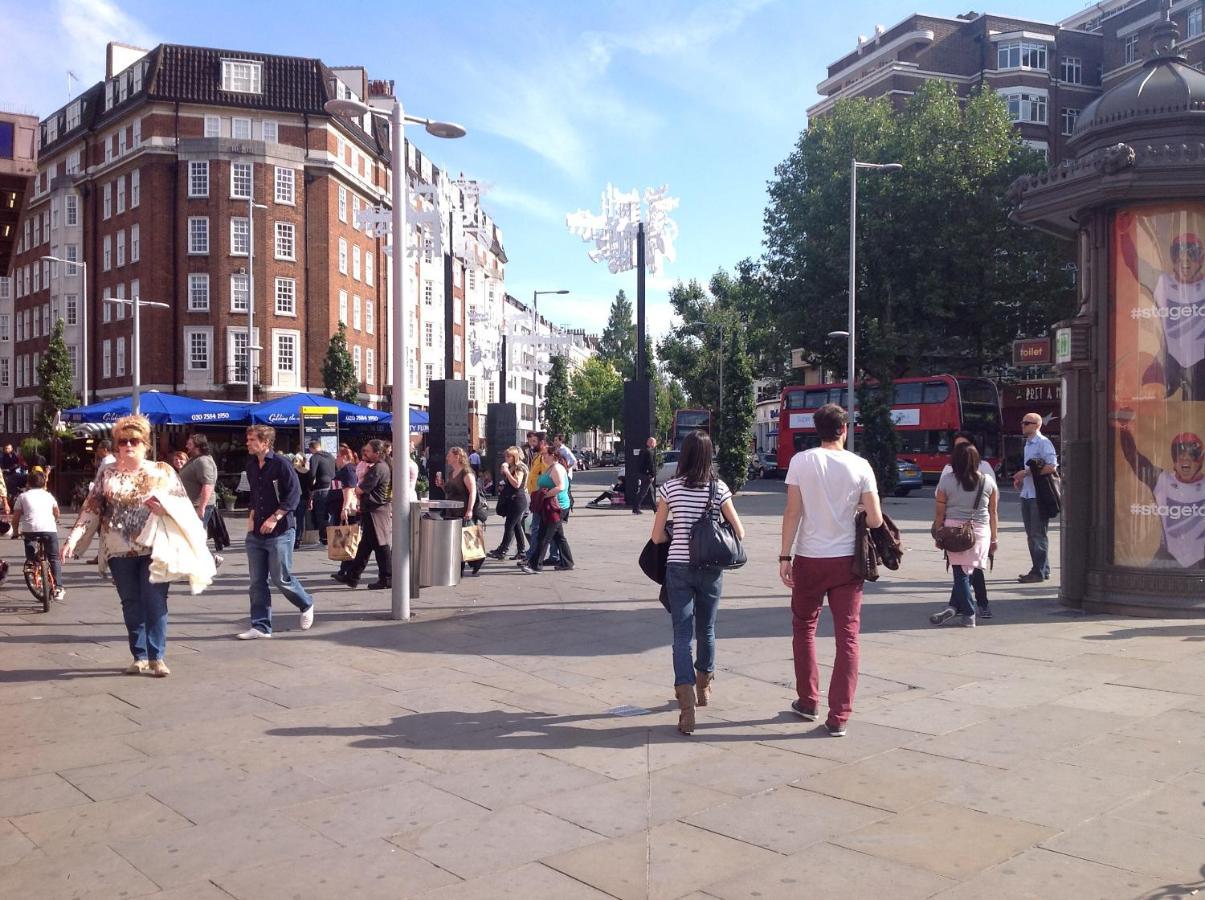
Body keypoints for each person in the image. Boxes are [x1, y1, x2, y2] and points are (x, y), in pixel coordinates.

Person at [779, 403, 883, 738]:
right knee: (847, 637)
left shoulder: (801, 461)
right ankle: (839, 716)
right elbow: (876, 519)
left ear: (817, 429)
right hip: (846, 561)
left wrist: (785, 556)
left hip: (809, 557)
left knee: (804, 628)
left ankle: (808, 700)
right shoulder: (860, 465)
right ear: (844, 429)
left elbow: (792, 512)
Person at [62, 414, 188, 676]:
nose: (128, 446)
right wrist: (72, 540)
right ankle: (139, 656)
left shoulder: (162, 471)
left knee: (154, 601)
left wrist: (165, 508)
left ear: (145, 444)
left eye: (134, 441)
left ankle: (157, 657)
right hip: (118, 549)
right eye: (122, 442)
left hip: (155, 547)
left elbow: (183, 506)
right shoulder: (107, 474)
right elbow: (91, 507)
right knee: (131, 603)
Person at [650, 431, 744, 735]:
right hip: (711, 568)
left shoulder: (670, 488)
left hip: (678, 566)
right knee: (707, 629)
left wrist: (676, 533)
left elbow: (656, 537)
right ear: (709, 455)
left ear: (685, 454)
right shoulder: (719, 488)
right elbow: (739, 532)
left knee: (681, 634)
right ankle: (704, 686)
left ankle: (686, 699)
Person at [237, 425, 314, 639]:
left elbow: (294, 494)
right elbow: (255, 494)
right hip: (256, 533)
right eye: (248, 438)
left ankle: (306, 603)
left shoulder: (281, 464)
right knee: (256, 581)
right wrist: (251, 516)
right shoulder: (252, 465)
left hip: (280, 531)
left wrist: (275, 517)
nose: (248, 443)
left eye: (252, 439)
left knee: (281, 578)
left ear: (265, 442)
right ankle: (261, 627)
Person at [1115, 420, 1205, 568]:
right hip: (1168, 558)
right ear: (1174, 461)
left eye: (1192, 454)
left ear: (1200, 460)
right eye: (1180, 454)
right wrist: (1124, 428)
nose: (1185, 459)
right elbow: (1133, 458)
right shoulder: (1162, 480)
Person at [930, 442, 999, 628]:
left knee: (960, 574)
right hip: (980, 532)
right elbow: (993, 512)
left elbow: (939, 513)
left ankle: (968, 613)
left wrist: (938, 534)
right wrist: (994, 538)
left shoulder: (946, 481)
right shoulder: (988, 481)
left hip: (954, 531)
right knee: (970, 571)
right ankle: (955, 607)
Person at [336, 439, 392, 589]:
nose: (364, 453)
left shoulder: (378, 468)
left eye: (367, 451)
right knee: (366, 545)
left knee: (381, 545)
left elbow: (360, 489)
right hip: (371, 510)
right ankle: (352, 576)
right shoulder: (377, 467)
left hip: (376, 511)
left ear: (377, 453)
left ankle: (386, 578)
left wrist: (358, 491)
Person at [1012, 413, 1058, 583]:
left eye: (1026, 423)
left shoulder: (1043, 442)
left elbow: (1052, 466)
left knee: (1037, 535)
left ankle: (1038, 572)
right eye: (1022, 422)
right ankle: (1043, 569)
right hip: (1027, 493)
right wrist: (1022, 480)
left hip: (1038, 496)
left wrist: (1027, 473)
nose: (1022, 425)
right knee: (1032, 534)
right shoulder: (1028, 444)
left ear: (1037, 425)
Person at [520, 441, 574, 574]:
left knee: (544, 536)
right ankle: (568, 562)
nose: (543, 456)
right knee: (558, 536)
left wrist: (544, 496)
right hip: (554, 506)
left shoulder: (556, 468)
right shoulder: (551, 467)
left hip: (557, 506)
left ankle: (535, 566)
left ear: (553, 455)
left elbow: (560, 486)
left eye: (545, 454)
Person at [13, 469, 64, 601]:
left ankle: (32, 562)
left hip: (30, 530)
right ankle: (58, 588)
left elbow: (16, 518)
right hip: (49, 529)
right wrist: (55, 519)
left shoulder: (22, 496)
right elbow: (57, 513)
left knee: (29, 544)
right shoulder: (49, 496)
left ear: (28, 483)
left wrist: (15, 531)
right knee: (54, 558)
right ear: (43, 483)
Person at [437, 446, 485, 575]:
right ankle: (460, 567)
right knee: (455, 540)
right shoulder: (451, 473)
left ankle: (474, 561)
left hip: (463, 511)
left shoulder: (466, 472)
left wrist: (469, 510)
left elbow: (472, 491)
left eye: (449, 455)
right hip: (451, 510)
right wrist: (442, 485)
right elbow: (449, 492)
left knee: (465, 539)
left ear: (457, 456)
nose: (447, 457)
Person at [179, 433, 222, 568]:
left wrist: (202, 507)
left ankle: (208, 562)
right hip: (190, 505)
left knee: (194, 536)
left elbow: (208, 484)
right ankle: (203, 563)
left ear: (197, 445)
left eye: (190, 444)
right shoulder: (195, 459)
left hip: (199, 505)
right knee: (191, 536)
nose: (187, 446)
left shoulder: (203, 461)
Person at [488, 445, 529, 560]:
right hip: (512, 499)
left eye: (508, 456)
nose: (505, 458)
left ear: (514, 456)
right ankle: (521, 551)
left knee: (509, 525)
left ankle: (502, 550)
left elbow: (517, 483)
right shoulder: (513, 466)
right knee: (516, 526)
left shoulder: (520, 468)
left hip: (518, 500)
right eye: (505, 455)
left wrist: (507, 472)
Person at [329, 444, 360, 582]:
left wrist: (345, 508)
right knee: (349, 539)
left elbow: (349, 489)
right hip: (344, 508)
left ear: (344, 457)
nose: (336, 459)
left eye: (338, 456)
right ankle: (345, 570)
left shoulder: (348, 470)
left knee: (348, 538)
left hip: (348, 510)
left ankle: (347, 571)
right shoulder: (348, 469)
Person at [307, 440, 336, 546]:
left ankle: (324, 538)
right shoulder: (331, 457)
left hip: (321, 489)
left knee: (321, 514)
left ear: (311, 448)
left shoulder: (314, 457)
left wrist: (310, 487)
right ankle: (332, 535)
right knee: (330, 514)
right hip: (332, 488)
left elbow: (312, 474)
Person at [291, 454, 313, 550]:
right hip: (303, 497)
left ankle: (292, 539)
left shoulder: (292, 471)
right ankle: (298, 540)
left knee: (291, 519)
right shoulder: (307, 472)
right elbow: (310, 487)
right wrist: (310, 499)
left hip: (293, 498)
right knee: (300, 520)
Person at [634, 437, 657, 514]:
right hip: (647, 475)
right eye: (654, 443)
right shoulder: (649, 451)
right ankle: (636, 508)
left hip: (641, 473)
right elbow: (651, 465)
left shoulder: (642, 450)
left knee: (651, 491)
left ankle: (655, 508)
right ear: (651, 443)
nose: (655, 445)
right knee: (643, 493)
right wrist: (653, 475)